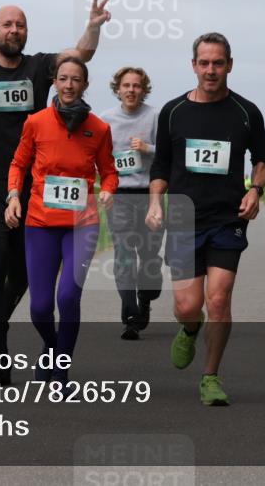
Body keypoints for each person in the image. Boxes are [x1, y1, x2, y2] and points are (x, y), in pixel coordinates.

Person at [0, 0, 111, 385]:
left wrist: (93, 26)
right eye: (6, 24)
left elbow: (80, 54)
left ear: (26, 32)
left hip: (36, 185)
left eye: (20, 25)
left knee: (23, 274)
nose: (13, 30)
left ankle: (2, 329)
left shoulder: (39, 66)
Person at [146, 32, 265, 406]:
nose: (211, 70)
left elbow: (262, 160)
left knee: (218, 299)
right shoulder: (173, 112)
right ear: (193, 66)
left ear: (229, 65)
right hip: (184, 219)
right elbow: (161, 164)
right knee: (188, 306)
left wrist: (255, 190)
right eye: (204, 63)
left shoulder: (246, 112)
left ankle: (211, 377)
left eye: (218, 63)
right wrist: (155, 202)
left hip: (227, 219)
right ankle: (189, 328)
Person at [5, 56, 118, 385]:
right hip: (40, 223)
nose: (69, 85)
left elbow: (109, 172)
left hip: (82, 224)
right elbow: (18, 164)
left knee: (68, 297)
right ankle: (52, 347)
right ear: (54, 82)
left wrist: (108, 190)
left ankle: (60, 370)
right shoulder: (36, 122)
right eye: (63, 78)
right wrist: (13, 196)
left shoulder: (99, 128)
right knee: (40, 307)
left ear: (85, 85)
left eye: (76, 79)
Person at [99, 67, 162, 340]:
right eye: (126, 85)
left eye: (136, 86)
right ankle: (131, 317)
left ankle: (145, 298)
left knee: (148, 256)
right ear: (118, 88)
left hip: (150, 196)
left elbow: (170, 154)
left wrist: (148, 148)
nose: (131, 90)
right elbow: (99, 157)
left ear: (143, 89)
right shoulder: (106, 119)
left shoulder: (155, 116)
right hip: (120, 195)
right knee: (124, 255)